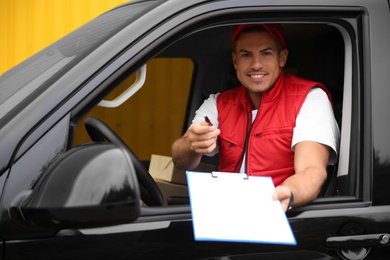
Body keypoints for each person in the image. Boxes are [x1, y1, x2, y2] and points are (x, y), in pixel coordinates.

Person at [171, 24, 340, 211]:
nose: (256, 64)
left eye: (266, 53)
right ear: (235, 61)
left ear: (282, 58)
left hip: (283, 217)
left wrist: (287, 192)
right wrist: (191, 145)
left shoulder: (310, 98)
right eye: (246, 55)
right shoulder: (219, 102)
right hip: (226, 217)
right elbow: (181, 160)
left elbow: (312, 170)